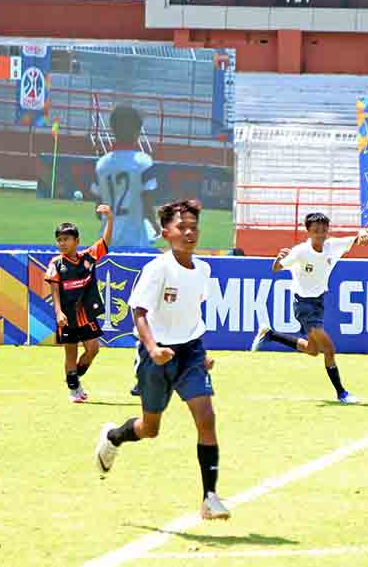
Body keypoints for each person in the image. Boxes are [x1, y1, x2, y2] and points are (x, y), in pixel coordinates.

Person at [95, 200, 229, 520]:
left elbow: (192, 313)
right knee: (150, 428)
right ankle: (113, 437)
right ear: (166, 233)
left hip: (191, 352)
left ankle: (209, 497)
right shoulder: (157, 268)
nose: (189, 233)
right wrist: (153, 349)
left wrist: (202, 353)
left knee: (206, 417)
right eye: (181, 228)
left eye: (193, 227)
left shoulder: (205, 270)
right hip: (156, 355)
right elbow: (139, 312)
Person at [250, 213, 368, 404]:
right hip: (303, 306)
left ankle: (270, 334)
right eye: (316, 230)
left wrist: (362, 233)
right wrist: (277, 258)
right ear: (308, 231)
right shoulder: (300, 251)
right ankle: (341, 393)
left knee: (313, 350)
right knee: (329, 349)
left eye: (324, 230)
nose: (320, 234)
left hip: (319, 302)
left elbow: (358, 239)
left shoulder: (332, 246)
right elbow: (276, 268)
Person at [45, 204, 113, 403]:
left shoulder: (88, 257)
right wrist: (58, 312)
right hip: (67, 317)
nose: (62, 243)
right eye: (59, 240)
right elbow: (54, 289)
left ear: (77, 241)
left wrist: (110, 218)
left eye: (66, 239)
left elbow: (105, 241)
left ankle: (73, 378)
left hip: (87, 315)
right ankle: (74, 389)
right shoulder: (56, 263)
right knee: (70, 353)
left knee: (93, 349)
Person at [95, 105, 160, 249]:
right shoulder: (144, 162)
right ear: (137, 131)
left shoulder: (101, 164)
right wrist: (155, 224)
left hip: (106, 241)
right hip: (135, 242)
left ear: (112, 129)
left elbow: (98, 211)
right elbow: (147, 204)